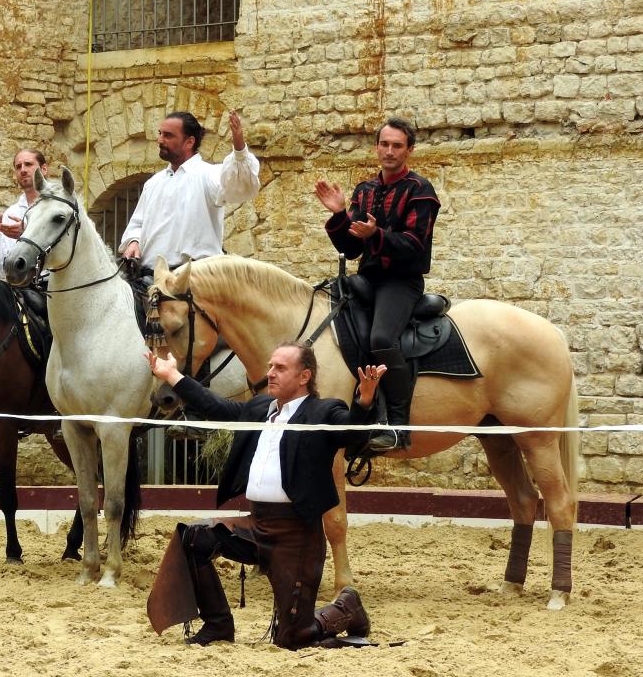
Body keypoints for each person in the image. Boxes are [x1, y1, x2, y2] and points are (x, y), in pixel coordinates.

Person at [145, 342, 387, 650]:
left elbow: (351, 435)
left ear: (304, 377)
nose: (270, 373)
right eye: (270, 366)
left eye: (280, 368)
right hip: (256, 526)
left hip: (296, 538)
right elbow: (215, 407)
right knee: (194, 537)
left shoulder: (324, 411)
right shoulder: (259, 408)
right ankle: (218, 624)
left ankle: (346, 607)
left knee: (293, 638)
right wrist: (172, 376)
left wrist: (364, 402)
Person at [314, 116, 439, 453]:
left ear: (409, 150)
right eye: (384, 144)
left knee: (381, 337)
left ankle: (398, 424)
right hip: (367, 279)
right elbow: (351, 248)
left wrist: (378, 235)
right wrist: (340, 214)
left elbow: (414, 244)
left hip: (401, 281)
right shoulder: (365, 191)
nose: (389, 151)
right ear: (376, 148)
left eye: (397, 145)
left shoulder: (420, 190)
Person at [120, 110, 260, 275]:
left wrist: (239, 150)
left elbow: (239, 186)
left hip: (196, 281)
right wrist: (133, 242)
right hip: (149, 280)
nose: (159, 140)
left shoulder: (209, 175)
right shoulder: (153, 183)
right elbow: (137, 223)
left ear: (189, 142)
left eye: (168, 135)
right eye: (160, 133)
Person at [0, 148, 49, 281]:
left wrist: (27, 232)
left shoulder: (60, 205)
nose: (23, 170)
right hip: (20, 292)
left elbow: (67, 250)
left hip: (56, 290)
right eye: (18, 166)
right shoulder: (11, 214)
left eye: (28, 164)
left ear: (44, 169)